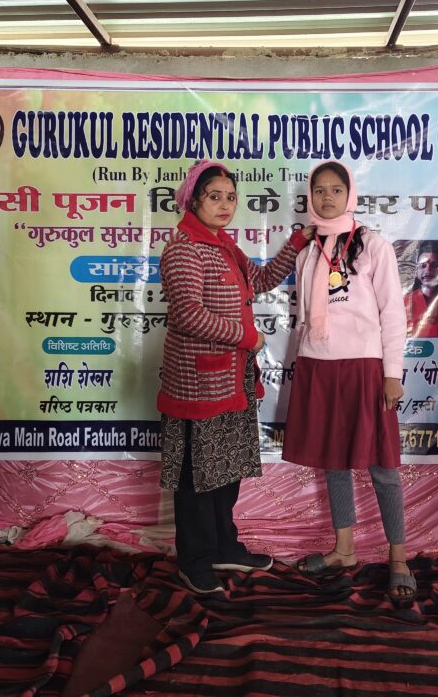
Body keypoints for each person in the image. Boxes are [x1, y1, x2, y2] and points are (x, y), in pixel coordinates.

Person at [158, 160, 314, 594]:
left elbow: (259, 280)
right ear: (193, 200)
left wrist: (297, 242)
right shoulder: (184, 248)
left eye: (230, 197)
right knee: (197, 476)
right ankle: (195, 559)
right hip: (198, 382)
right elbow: (188, 315)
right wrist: (248, 337)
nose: (225, 205)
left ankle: (224, 546)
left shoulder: (223, 244)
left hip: (231, 379)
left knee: (225, 469)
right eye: (215, 197)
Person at [281, 161, 415, 608]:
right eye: (319, 190)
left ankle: (399, 558)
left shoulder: (373, 245)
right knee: (333, 462)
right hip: (319, 367)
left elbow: (392, 313)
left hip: (364, 368)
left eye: (335, 190)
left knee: (382, 466)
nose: (327, 198)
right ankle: (344, 549)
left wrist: (392, 374)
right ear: (310, 197)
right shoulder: (307, 252)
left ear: (350, 195)